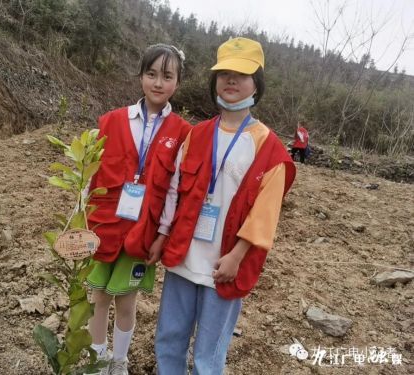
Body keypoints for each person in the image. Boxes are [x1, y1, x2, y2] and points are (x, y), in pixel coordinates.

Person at [148, 37, 296, 374]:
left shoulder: (269, 149)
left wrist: (237, 255)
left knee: (208, 355)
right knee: (168, 339)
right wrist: (162, 234)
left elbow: (265, 214)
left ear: (256, 84)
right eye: (224, 73)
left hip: (223, 264)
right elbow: (174, 191)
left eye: (241, 75)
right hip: (183, 257)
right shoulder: (196, 135)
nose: (231, 80)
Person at [84, 44, 191, 375]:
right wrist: (78, 222)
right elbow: (88, 177)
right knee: (98, 297)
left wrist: (162, 234)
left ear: (177, 82)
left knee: (127, 301)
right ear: (141, 76)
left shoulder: (183, 132)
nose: (158, 83)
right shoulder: (111, 121)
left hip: (142, 233)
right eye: (151, 74)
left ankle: (120, 361)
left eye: (167, 76)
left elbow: (174, 190)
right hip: (103, 228)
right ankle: (98, 362)